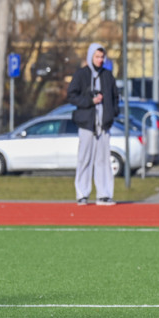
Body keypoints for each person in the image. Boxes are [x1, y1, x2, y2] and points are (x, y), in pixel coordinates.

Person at [67, 42, 120, 206]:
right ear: (90, 57)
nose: (100, 60)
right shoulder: (81, 75)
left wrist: (112, 113)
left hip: (103, 126)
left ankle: (104, 195)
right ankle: (82, 194)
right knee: (84, 160)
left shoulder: (108, 76)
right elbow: (72, 95)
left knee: (103, 161)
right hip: (86, 125)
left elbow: (115, 98)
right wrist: (90, 101)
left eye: (102, 56)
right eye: (97, 56)